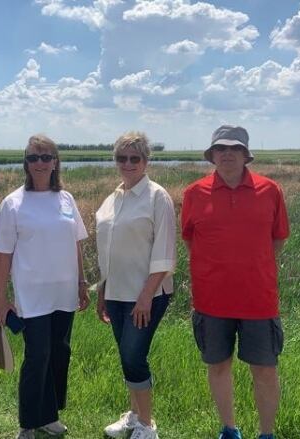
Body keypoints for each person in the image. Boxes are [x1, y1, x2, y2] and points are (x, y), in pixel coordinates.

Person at [181, 125, 289, 439]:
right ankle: (229, 429)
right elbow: (191, 240)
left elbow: (278, 239)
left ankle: (266, 433)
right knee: (218, 366)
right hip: (211, 299)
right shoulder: (194, 193)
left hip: (259, 298)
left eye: (235, 148)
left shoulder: (270, 190)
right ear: (212, 155)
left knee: (265, 371)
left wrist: (253, 265)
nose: (227, 154)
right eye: (221, 149)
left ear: (245, 155)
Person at [0, 134, 90, 439]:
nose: (40, 163)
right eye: (33, 157)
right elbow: (2, 255)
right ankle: (28, 423)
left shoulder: (66, 199)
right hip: (31, 296)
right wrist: (0, 298)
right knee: (38, 356)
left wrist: (82, 283)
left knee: (60, 353)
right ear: (26, 162)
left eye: (46, 157)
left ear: (56, 162)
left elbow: (76, 244)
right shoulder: (13, 203)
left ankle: (49, 415)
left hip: (64, 293)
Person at [95, 132, 176, 439]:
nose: (127, 164)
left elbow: (165, 252)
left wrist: (145, 296)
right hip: (116, 292)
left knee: (133, 356)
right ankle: (133, 416)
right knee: (126, 355)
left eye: (135, 158)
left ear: (146, 161)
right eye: (121, 158)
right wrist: (102, 291)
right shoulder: (112, 198)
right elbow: (107, 251)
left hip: (147, 294)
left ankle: (146, 425)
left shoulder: (157, 197)